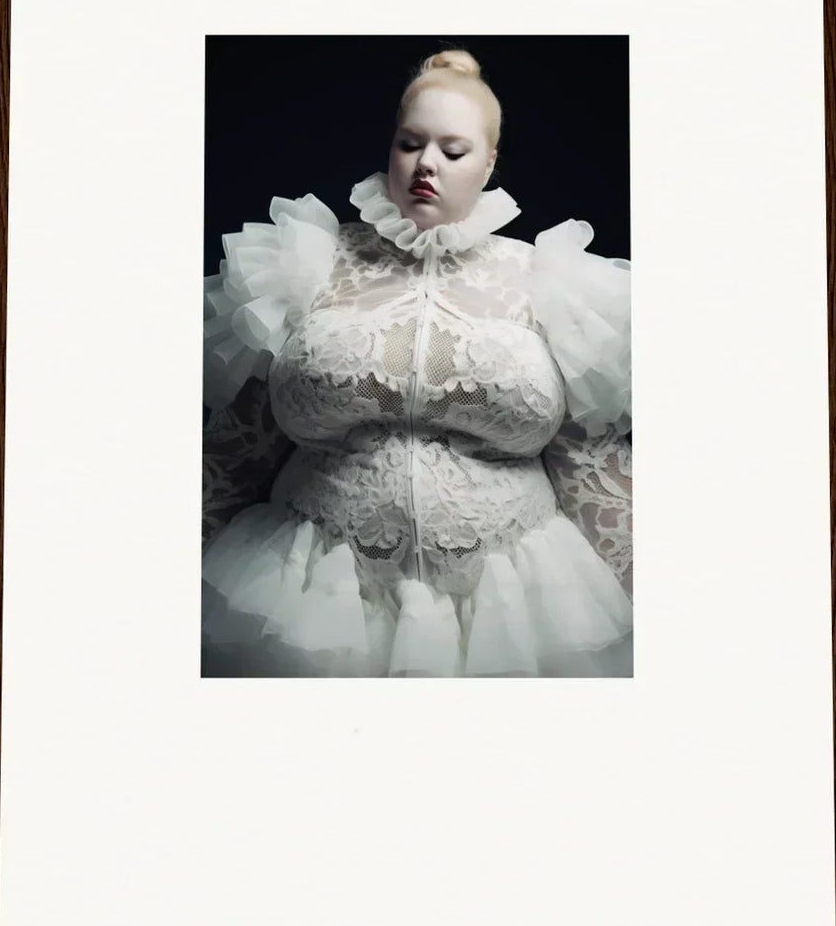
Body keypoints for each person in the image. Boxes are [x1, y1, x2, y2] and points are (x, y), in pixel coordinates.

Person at [201, 48, 633, 677]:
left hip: (518, 606)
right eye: (410, 143)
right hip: (305, 599)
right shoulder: (305, 265)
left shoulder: (551, 283)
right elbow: (238, 452)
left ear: (489, 163)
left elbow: (589, 464)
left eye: (453, 151)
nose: (426, 164)